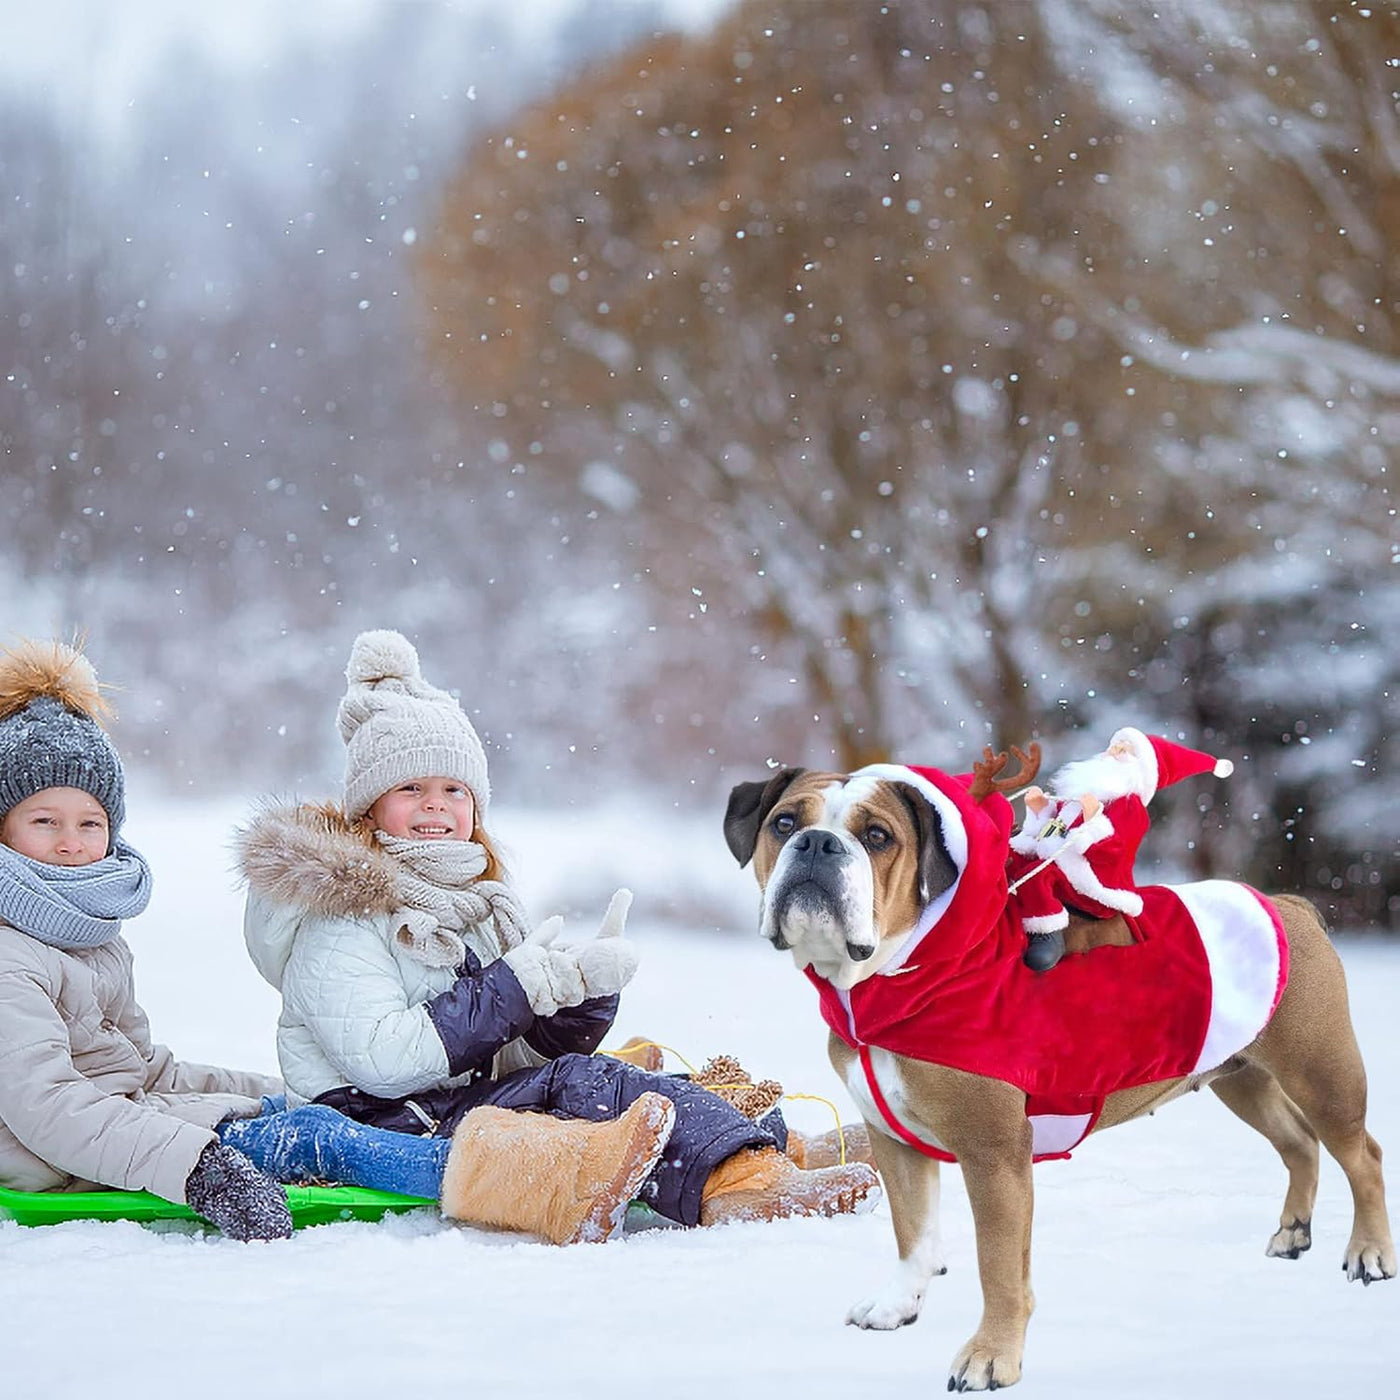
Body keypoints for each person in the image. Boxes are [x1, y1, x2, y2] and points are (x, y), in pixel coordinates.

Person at [226, 628, 880, 1242]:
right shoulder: (341, 919)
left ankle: (775, 1150)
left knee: (600, 1074)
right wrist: (513, 987)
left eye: (454, 788)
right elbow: (385, 1061)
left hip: (446, 1101)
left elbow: (508, 1056)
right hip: (382, 1122)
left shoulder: (473, 904)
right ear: (370, 807)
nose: (436, 804)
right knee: (592, 1091)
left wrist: (573, 1003)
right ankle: (744, 1183)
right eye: (411, 787)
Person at [0, 639, 293, 1241]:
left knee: (308, 1115)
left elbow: (144, 1070)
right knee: (324, 1141)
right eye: (44, 821)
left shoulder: (90, 934)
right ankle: (477, 1173)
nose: (70, 843)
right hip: (62, 1160)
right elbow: (45, 1106)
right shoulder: (10, 954)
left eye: (90, 823)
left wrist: (277, 1094)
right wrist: (200, 1169)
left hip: (128, 1127)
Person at [1008, 727, 1234, 972]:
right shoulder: (1081, 795)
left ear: (1139, 772)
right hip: (1060, 862)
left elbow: (1114, 849)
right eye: (1115, 746)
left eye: (1125, 751)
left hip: (1092, 883)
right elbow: (1055, 827)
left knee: (1038, 877)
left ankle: (1048, 933)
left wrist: (1093, 818)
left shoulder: (1130, 808)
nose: (1113, 752)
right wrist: (1040, 809)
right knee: (1018, 861)